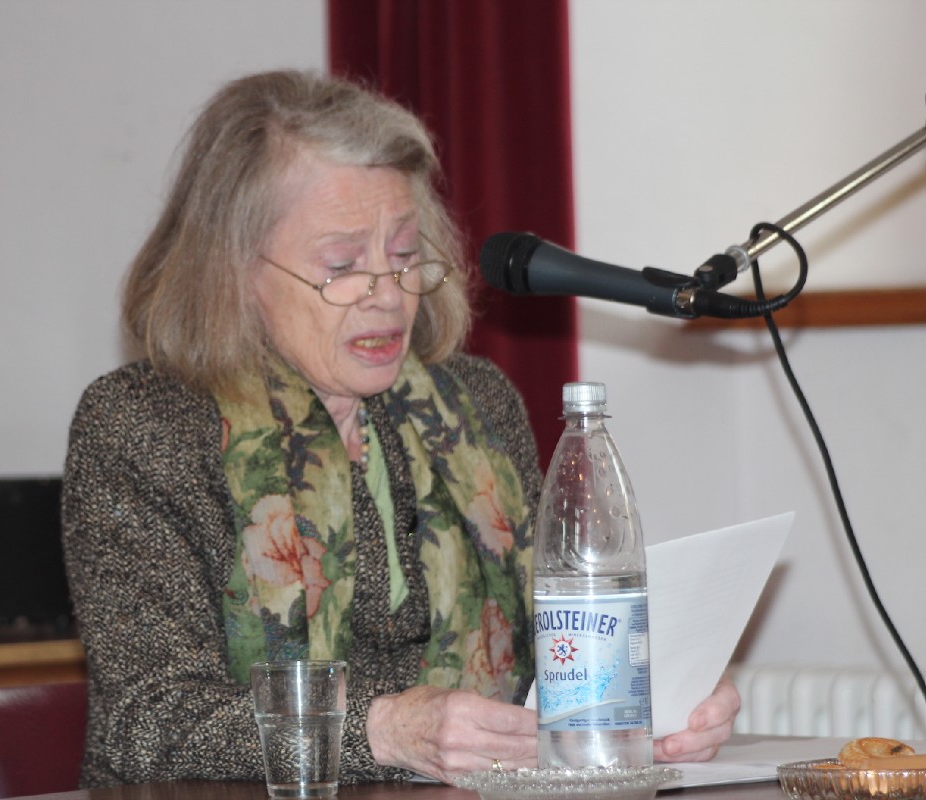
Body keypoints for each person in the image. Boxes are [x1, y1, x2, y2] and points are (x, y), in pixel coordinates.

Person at [61, 68, 739, 788]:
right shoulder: (143, 425)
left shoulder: (476, 406)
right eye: (343, 264)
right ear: (233, 270)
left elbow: (553, 660)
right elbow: (146, 721)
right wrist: (381, 732)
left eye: (406, 255)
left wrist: (646, 689)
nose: (388, 296)